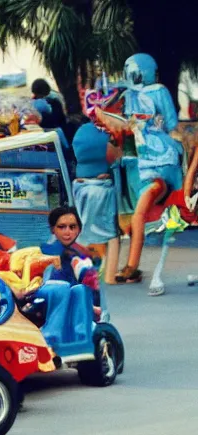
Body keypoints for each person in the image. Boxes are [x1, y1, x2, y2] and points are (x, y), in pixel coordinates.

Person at [97, 54, 183, 285]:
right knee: (137, 214)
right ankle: (131, 266)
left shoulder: (133, 95)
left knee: (138, 214)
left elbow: (122, 124)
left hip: (148, 162)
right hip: (156, 160)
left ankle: (131, 266)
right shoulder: (153, 92)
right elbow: (171, 124)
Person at [34, 207, 102, 350]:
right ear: (53, 229)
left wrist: (92, 306)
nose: (67, 232)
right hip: (39, 297)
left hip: (71, 302)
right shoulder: (42, 251)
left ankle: (52, 339)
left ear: (79, 229)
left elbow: (91, 285)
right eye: (62, 227)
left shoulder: (81, 256)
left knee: (64, 289)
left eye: (72, 227)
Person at [72, 122, 120, 285]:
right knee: (112, 234)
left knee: (79, 232)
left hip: (80, 186)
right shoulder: (106, 135)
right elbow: (115, 158)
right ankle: (110, 277)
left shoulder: (81, 132)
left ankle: (78, 271)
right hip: (101, 187)